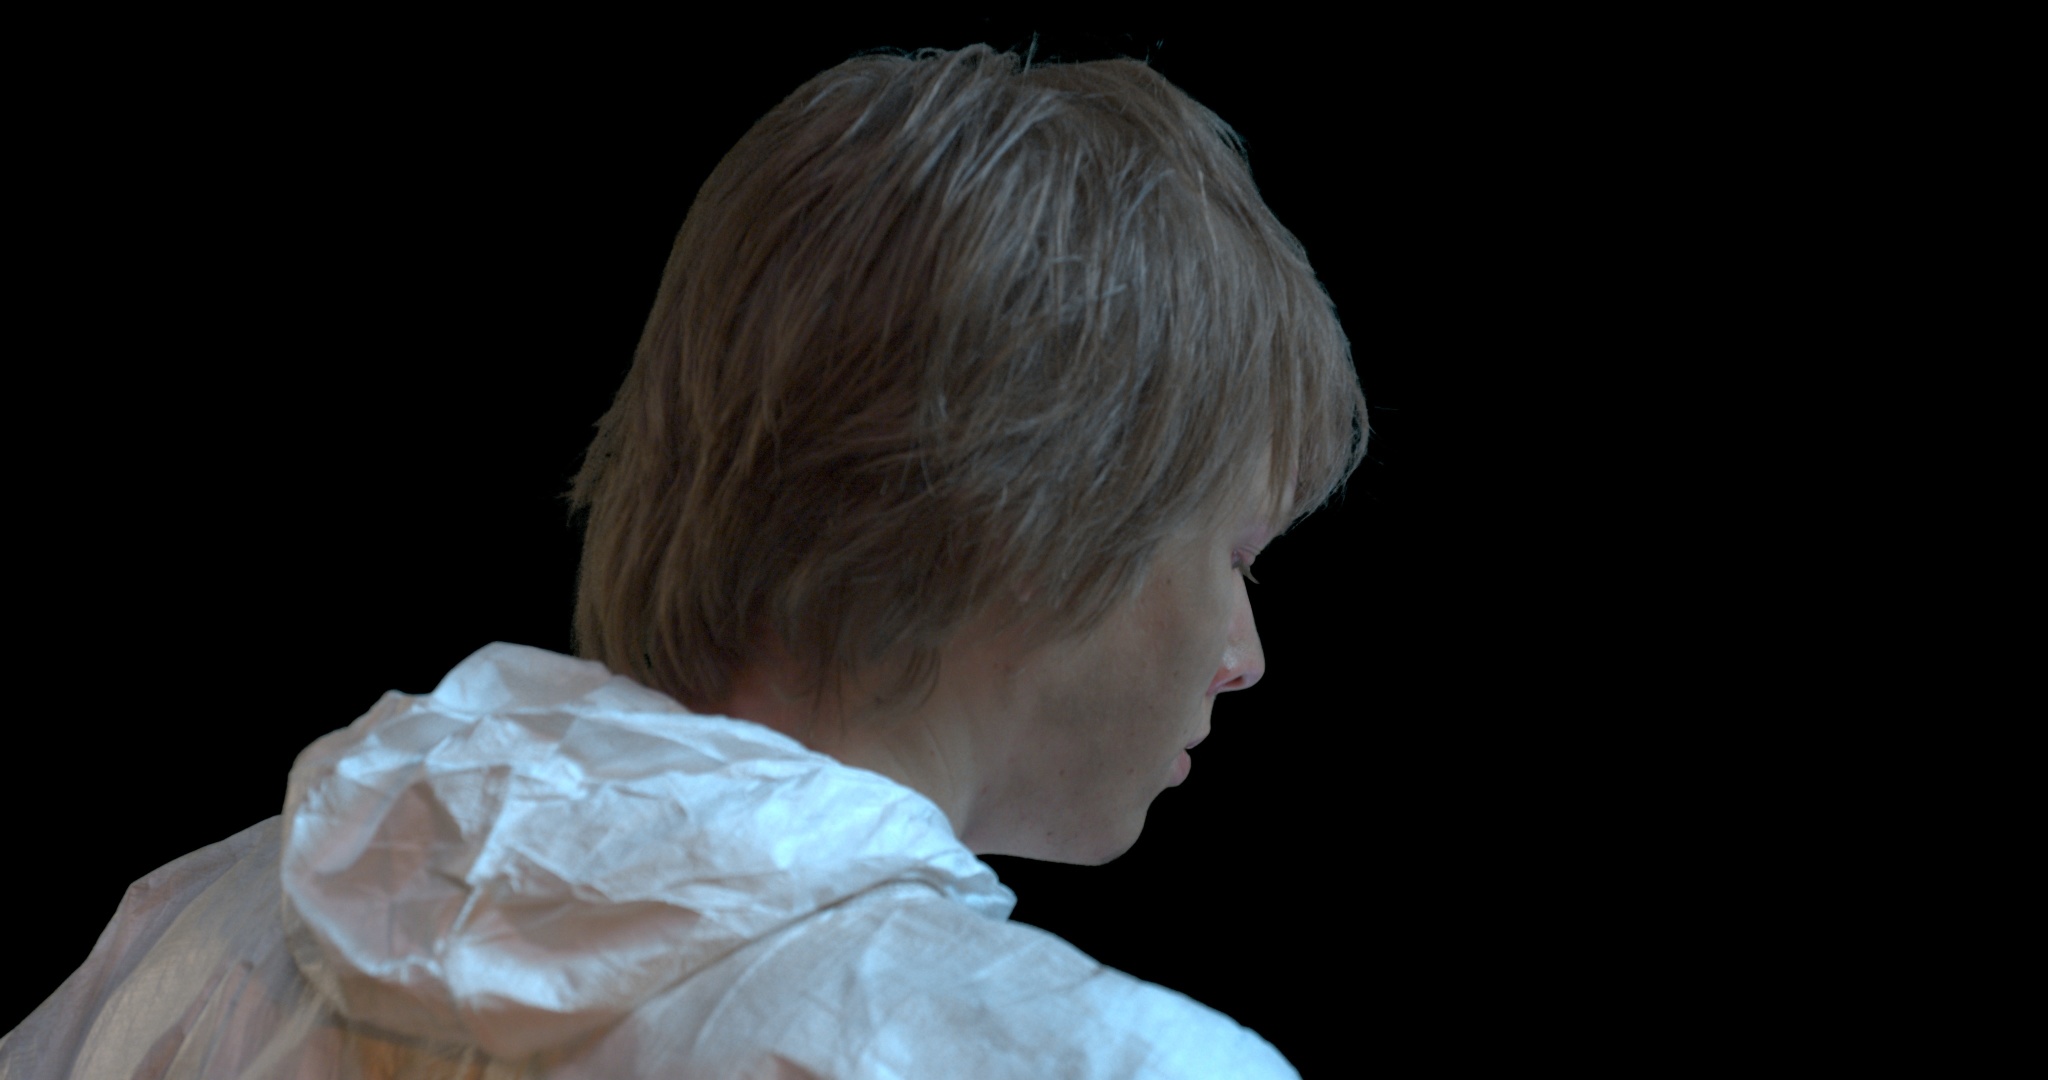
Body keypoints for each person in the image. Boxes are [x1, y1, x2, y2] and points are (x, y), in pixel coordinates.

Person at [2, 43, 1364, 1078]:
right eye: (1238, 556)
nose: (1243, 658)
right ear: (1038, 513)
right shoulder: (1102, 1065)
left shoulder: (204, 927)